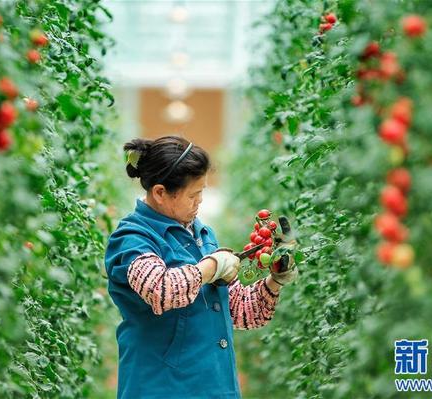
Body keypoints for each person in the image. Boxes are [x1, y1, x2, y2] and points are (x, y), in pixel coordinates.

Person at [104, 135, 298, 398]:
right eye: (194, 194)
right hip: (162, 388)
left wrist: (276, 280)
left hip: (216, 387)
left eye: (203, 192)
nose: (200, 201)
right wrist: (212, 265)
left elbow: (239, 311)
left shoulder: (202, 235)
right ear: (160, 192)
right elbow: (161, 289)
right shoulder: (132, 239)